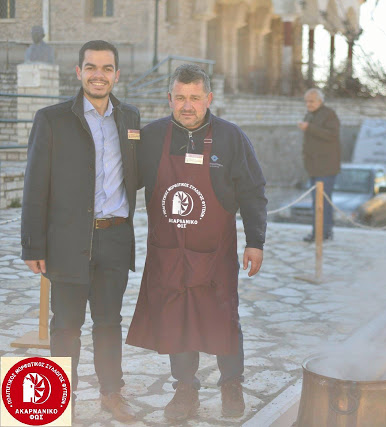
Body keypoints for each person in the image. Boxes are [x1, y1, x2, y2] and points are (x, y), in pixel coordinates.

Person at [127, 64, 267, 421]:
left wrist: (255, 241)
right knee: (177, 318)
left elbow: (252, 192)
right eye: (179, 98)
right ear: (169, 98)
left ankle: (231, 383)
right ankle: (185, 389)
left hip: (215, 253)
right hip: (168, 251)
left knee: (223, 315)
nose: (186, 106)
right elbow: (123, 180)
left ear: (208, 98)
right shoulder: (153, 137)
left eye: (194, 98)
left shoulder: (231, 137)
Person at [21, 40, 140, 422]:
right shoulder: (52, 119)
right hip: (69, 241)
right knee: (65, 325)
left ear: (117, 75)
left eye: (106, 68)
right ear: (78, 72)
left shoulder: (131, 118)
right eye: (91, 67)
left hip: (115, 238)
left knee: (109, 322)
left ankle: (111, 393)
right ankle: (59, 401)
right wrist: (32, 245)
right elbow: (35, 185)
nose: (98, 75)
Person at [298, 88, 340, 242]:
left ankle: (320, 234)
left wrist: (309, 127)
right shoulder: (309, 115)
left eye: (311, 101)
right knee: (319, 202)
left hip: (326, 166)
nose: (308, 104)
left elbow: (331, 134)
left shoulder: (329, 114)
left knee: (321, 203)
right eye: (306, 101)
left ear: (320, 101)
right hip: (313, 167)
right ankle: (324, 232)